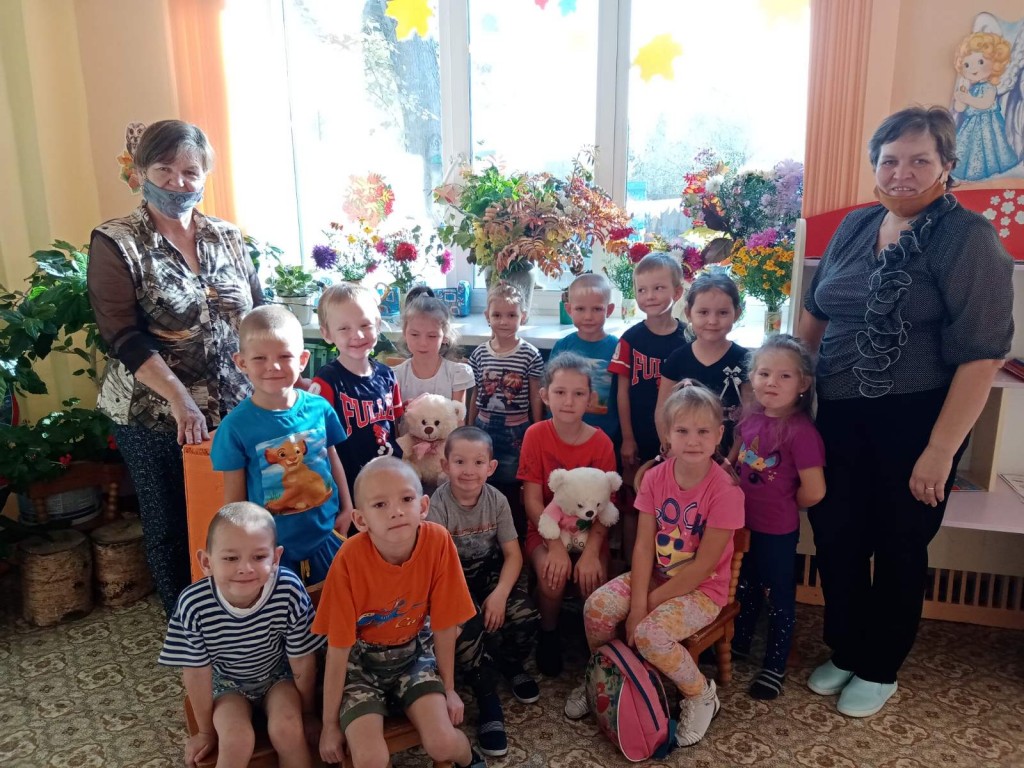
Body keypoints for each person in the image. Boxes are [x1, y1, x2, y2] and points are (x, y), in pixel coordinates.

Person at [798, 106, 1014, 718]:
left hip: (917, 420)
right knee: (837, 536)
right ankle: (846, 648)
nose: (902, 173)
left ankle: (880, 665)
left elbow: (983, 354)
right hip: (837, 413)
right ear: (875, 165)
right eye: (890, 160)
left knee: (899, 544)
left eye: (920, 160)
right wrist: (792, 397)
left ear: (947, 165)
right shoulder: (856, 224)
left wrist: (940, 451)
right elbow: (815, 313)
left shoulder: (968, 238)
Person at [88, 120, 262, 616]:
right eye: (164, 169)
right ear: (141, 170)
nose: (177, 182)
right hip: (154, 413)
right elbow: (123, 336)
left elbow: (259, 312)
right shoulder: (117, 242)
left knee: (237, 514)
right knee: (171, 523)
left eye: (190, 171)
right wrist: (180, 400)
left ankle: (244, 618)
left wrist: (280, 368)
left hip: (232, 407)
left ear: (205, 174)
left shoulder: (226, 236)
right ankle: (187, 627)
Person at [564, 383, 744, 747]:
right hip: (656, 576)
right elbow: (644, 545)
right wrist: (638, 603)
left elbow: (703, 566)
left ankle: (701, 695)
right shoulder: (655, 478)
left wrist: (646, 606)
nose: (692, 441)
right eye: (682, 431)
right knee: (596, 608)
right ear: (667, 435)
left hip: (703, 591)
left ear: (718, 434)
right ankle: (604, 678)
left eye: (703, 431)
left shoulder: (726, 491)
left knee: (649, 633)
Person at [313, 457, 486, 768]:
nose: (396, 511)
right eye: (380, 505)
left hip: (414, 657)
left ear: (423, 506)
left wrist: (449, 689)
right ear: (360, 519)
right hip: (360, 667)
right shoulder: (348, 559)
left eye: (406, 499)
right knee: (370, 759)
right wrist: (328, 725)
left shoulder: (438, 541)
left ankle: (471, 759)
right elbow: (338, 648)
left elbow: (445, 624)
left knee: (443, 742)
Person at [159, 502, 323, 768]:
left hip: (277, 677)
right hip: (227, 685)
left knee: (289, 729)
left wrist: (307, 712)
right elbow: (196, 672)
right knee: (236, 739)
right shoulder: (193, 604)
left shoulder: (288, 589)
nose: (245, 568)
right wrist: (205, 732)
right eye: (230, 558)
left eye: (259, 557)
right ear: (206, 562)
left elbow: (302, 658)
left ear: (276, 558)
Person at [211, 305, 352, 585]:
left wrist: (347, 508)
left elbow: (333, 459)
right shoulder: (235, 427)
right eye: (259, 358)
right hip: (270, 551)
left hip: (327, 536)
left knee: (333, 601)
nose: (273, 366)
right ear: (241, 362)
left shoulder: (320, 408)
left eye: (284, 356)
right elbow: (235, 501)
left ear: (302, 359)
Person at [427, 426, 540, 758]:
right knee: (466, 625)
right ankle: (486, 694)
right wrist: (470, 607)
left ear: (491, 467)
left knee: (525, 613)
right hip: (451, 580)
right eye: (459, 462)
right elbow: (439, 569)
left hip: (488, 574)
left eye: (478, 463)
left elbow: (513, 555)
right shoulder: (438, 505)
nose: (468, 471)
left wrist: (501, 593)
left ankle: (510, 663)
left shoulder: (497, 500)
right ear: (445, 465)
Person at [728, 335, 826, 700]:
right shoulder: (750, 419)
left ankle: (775, 664)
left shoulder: (802, 432)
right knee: (745, 585)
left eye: (784, 376)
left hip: (777, 530)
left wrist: (783, 503)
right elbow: (732, 464)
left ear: (803, 384)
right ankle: (739, 642)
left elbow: (814, 491)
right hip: (741, 524)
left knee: (778, 595)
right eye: (764, 373)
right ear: (752, 378)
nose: (772, 382)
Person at [518, 353, 617, 678]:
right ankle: (548, 632)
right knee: (553, 575)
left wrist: (590, 554)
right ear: (545, 395)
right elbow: (532, 500)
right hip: (546, 530)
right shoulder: (535, 435)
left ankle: (594, 644)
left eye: (578, 393)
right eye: (560, 392)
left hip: (590, 532)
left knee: (592, 579)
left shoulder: (601, 443)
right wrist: (556, 547)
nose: (569, 401)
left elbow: (606, 511)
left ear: (591, 399)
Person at [609, 251, 688, 559]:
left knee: (671, 504)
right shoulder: (630, 339)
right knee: (634, 504)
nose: (649, 296)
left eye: (658, 288)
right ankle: (631, 568)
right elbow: (621, 393)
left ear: (677, 292)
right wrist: (627, 438)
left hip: (676, 439)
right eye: (642, 290)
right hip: (637, 436)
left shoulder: (688, 338)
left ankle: (665, 567)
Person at [311, 284, 403, 505]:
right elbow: (318, 445)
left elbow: (397, 426)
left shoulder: (388, 375)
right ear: (327, 333)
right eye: (344, 328)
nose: (358, 335)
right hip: (350, 489)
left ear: (377, 325)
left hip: (389, 479)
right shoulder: (326, 382)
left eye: (365, 325)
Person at [467, 282, 544, 536]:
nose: (504, 321)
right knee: (482, 480)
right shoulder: (479, 354)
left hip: (516, 430)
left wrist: (536, 428)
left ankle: (513, 537)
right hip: (483, 427)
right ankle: (485, 534)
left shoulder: (530, 355)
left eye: (511, 315)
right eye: (497, 315)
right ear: (487, 316)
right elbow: (476, 391)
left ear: (523, 316)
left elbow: (535, 394)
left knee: (511, 484)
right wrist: (469, 426)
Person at [659, 272, 749, 457]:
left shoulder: (745, 360)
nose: (713, 321)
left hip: (730, 458)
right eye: (703, 312)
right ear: (688, 313)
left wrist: (731, 460)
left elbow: (749, 417)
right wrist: (671, 450)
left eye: (723, 313)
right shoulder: (677, 359)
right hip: (684, 456)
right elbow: (662, 411)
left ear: (737, 314)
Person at [550, 272, 620, 443]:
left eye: (597, 309)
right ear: (569, 310)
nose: (588, 317)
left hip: (605, 436)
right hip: (563, 434)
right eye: (580, 309)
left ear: (609, 310)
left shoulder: (617, 348)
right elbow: (551, 390)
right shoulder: (562, 346)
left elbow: (623, 395)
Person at [950, 31, 1018, 182]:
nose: (973, 68)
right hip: (971, 125)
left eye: (980, 62)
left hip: (989, 125)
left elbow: (985, 104)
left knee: (989, 148)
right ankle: (973, 173)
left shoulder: (989, 87)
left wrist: (968, 98)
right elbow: (960, 109)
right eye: (967, 64)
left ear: (995, 63)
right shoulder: (970, 88)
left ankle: (991, 174)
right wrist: (960, 99)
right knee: (970, 149)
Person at [393, 295, 473, 409]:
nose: (423, 343)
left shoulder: (456, 374)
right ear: (404, 334)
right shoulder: (397, 376)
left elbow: (458, 417)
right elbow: (395, 418)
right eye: (414, 334)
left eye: (432, 336)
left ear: (445, 337)